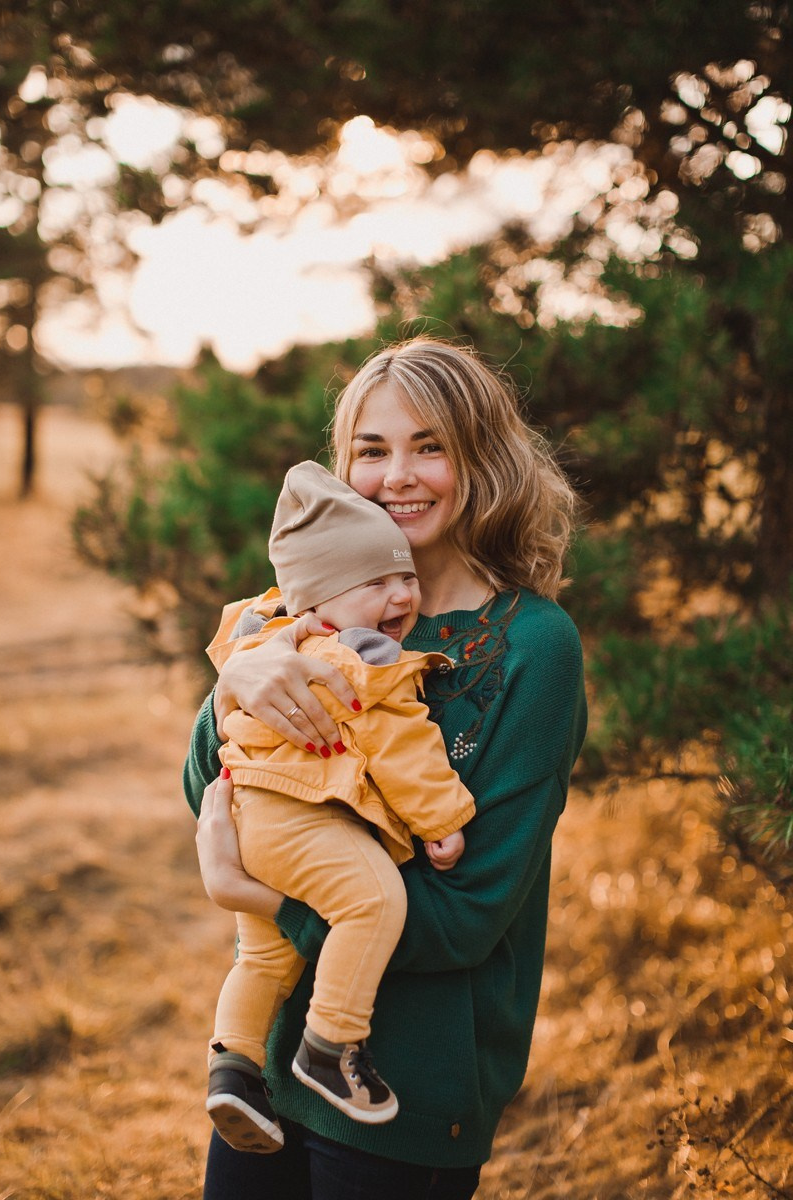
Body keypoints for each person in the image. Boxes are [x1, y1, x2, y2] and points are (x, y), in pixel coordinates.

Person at [184, 337, 588, 1200]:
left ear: (484, 458)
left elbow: (466, 916)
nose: (397, 475)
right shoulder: (309, 603)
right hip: (271, 1071)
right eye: (373, 449)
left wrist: (269, 902)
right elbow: (210, 790)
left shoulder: (532, 649)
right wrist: (233, 686)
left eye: (430, 445)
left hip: (408, 1094)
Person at [205, 459, 475, 1153]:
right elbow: (403, 744)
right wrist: (440, 822)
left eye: (405, 576)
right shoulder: (359, 659)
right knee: (376, 902)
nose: (400, 594)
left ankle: (233, 1068)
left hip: (250, 818)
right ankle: (332, 1041)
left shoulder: (260, 642)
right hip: (301, 818)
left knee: (264, 957)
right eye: (376, 583)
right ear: (318, 605)